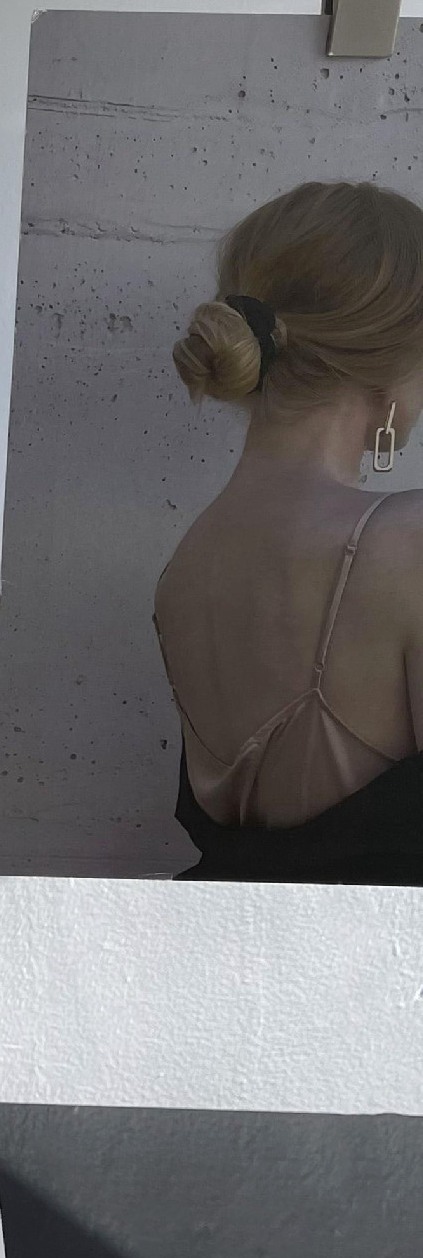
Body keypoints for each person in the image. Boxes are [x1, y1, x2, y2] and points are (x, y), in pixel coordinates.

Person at [153, 179, 423, 882]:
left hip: (217, 941)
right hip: (378, 953)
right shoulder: (410, 544)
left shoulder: (183, 569)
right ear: (391, 365)